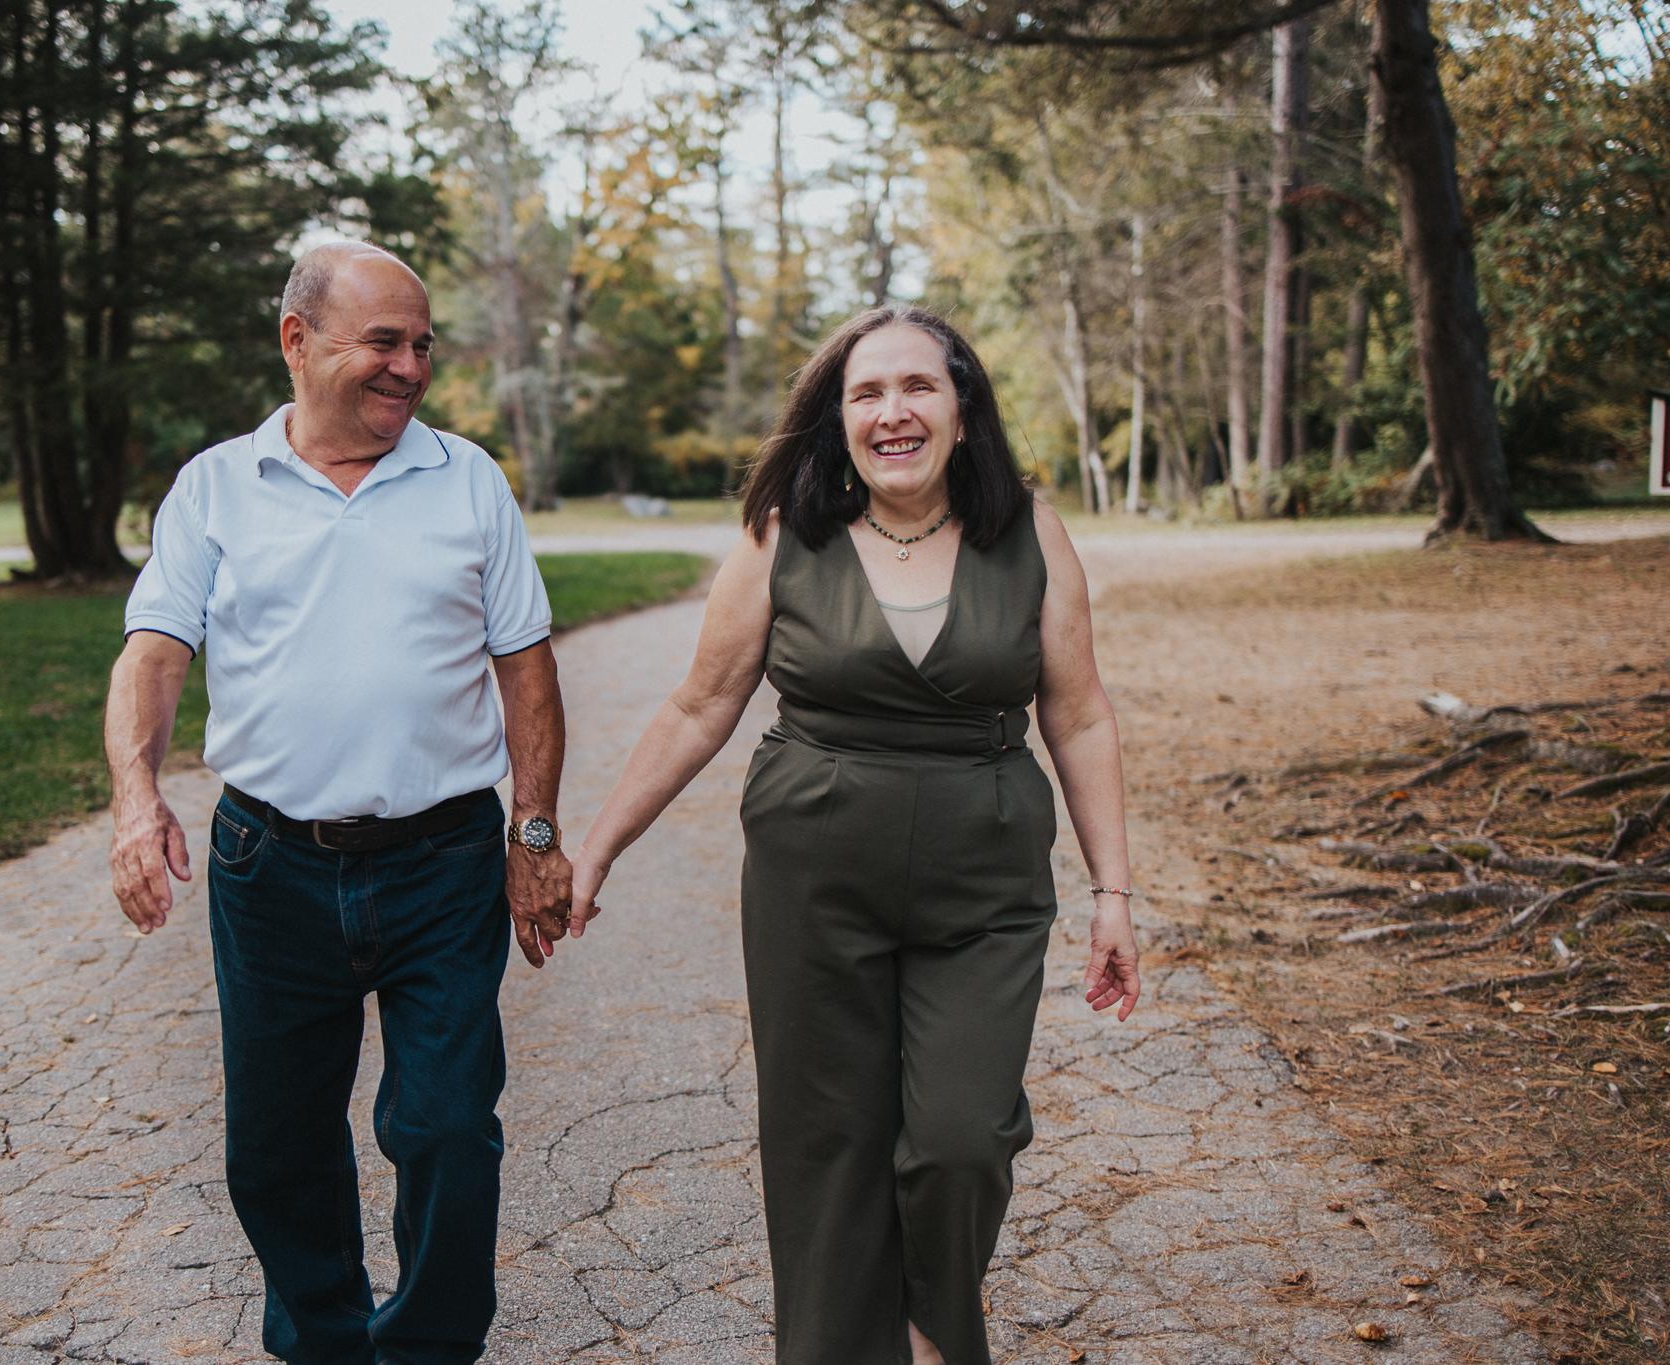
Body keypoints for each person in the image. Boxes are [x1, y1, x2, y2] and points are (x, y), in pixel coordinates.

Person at [568, 306, 1140, 1365]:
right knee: (825, 1144)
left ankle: (931, 1330)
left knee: (960, 1142)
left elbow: (1080, 711)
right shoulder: (783, 535)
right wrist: (597, 847)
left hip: (984, 880)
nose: (892, 411)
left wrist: (1112, 893)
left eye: (916, 387)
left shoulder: (1028, 529)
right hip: (811, 882)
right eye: (865, 393)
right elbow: (699, 706)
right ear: (835, 421)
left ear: (961, 409)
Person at [103, 239, 576, 1365]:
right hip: (271, 866)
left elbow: (526, 665)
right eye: (383, 342)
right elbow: (154, 652)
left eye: (421, 345)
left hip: (443, 862)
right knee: (275, 1147)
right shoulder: (216, 486)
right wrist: (136, 800)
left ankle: (422, 1349)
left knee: (448, 1127)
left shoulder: (465, 479)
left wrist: (536, 834)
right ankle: (324, 1344)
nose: (409, 367)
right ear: (297, 340)